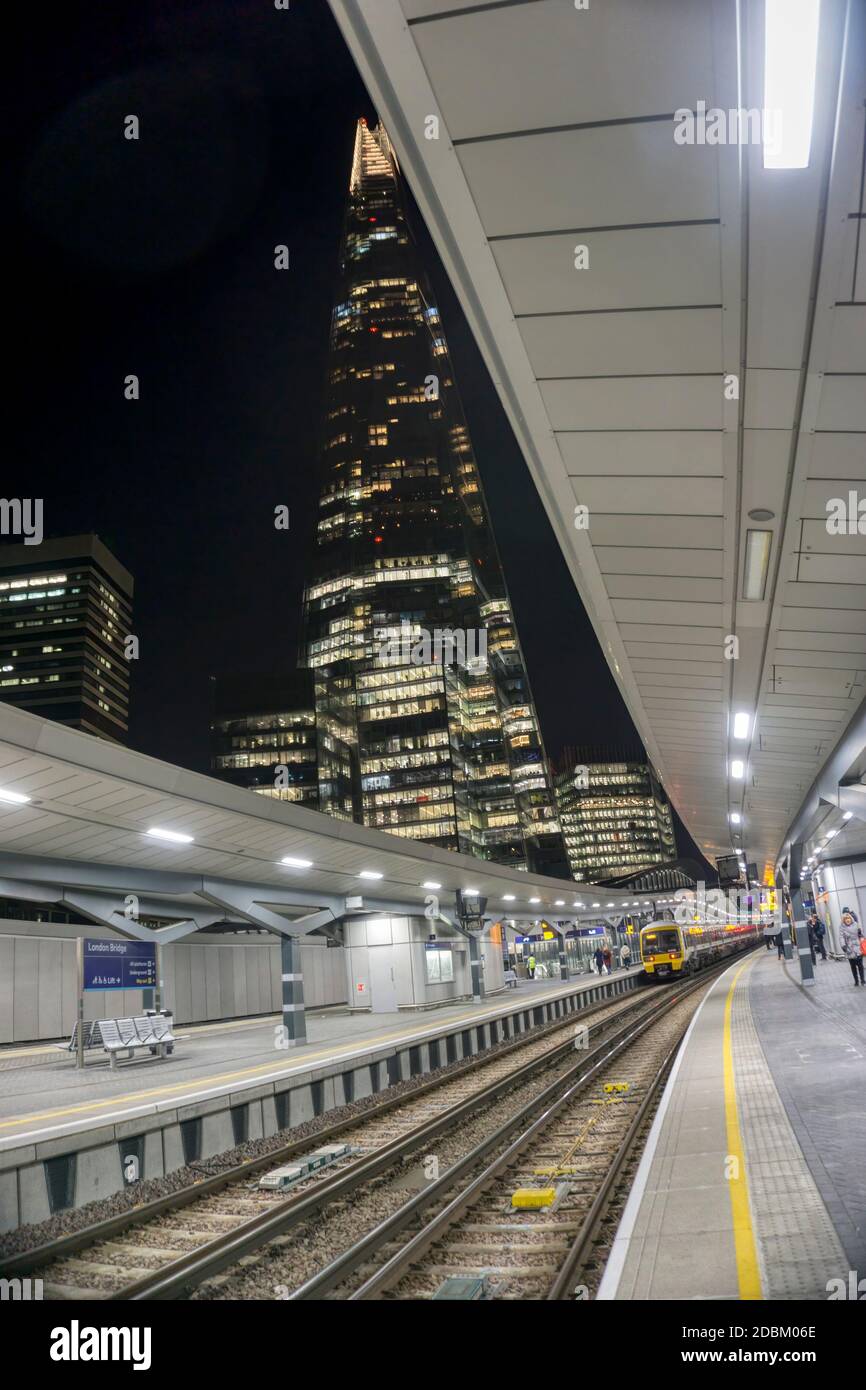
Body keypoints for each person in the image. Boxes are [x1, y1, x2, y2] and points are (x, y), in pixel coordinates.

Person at [839, 909, 865, 987]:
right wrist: (843, 946)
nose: (848, 920)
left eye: (849, 918)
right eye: (846, 919)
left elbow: (861, 935)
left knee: (860, 965)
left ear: (851, 918)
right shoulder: (842, 927)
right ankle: (856, 981)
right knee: (853, 967)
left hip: (857, 947)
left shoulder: (856, 924)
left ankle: (863, 980)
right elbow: (841, 937)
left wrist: (860, 935)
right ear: (844, 920)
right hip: (849, 949)